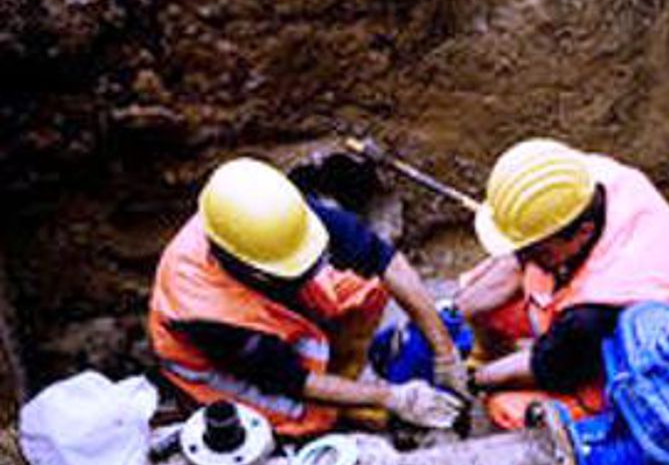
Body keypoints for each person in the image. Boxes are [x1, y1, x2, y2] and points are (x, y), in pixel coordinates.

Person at [150, 156, 468, 437]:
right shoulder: (201, 311)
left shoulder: (278, 218)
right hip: (219, 366)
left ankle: (347, 380)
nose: (311, 269)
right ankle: (347, 406)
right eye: (296, 267)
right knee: (314, 417)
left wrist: (444, 350)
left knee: (365, 292)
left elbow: (384, 260)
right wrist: (391, 398)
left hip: (264, 311)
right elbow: (289, 380)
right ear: (257, 272)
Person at [456, 138, 669, 430]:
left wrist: (472, 382)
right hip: (595, 307)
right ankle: (487, 355)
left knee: (506, 408)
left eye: (535, 251)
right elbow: (514, 264)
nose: (525, 258)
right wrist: (453, 311)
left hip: (637, 356)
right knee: (481, 293)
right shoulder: (585, 182)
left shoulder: (599, 308)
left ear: (583, 232)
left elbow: (550, 366)